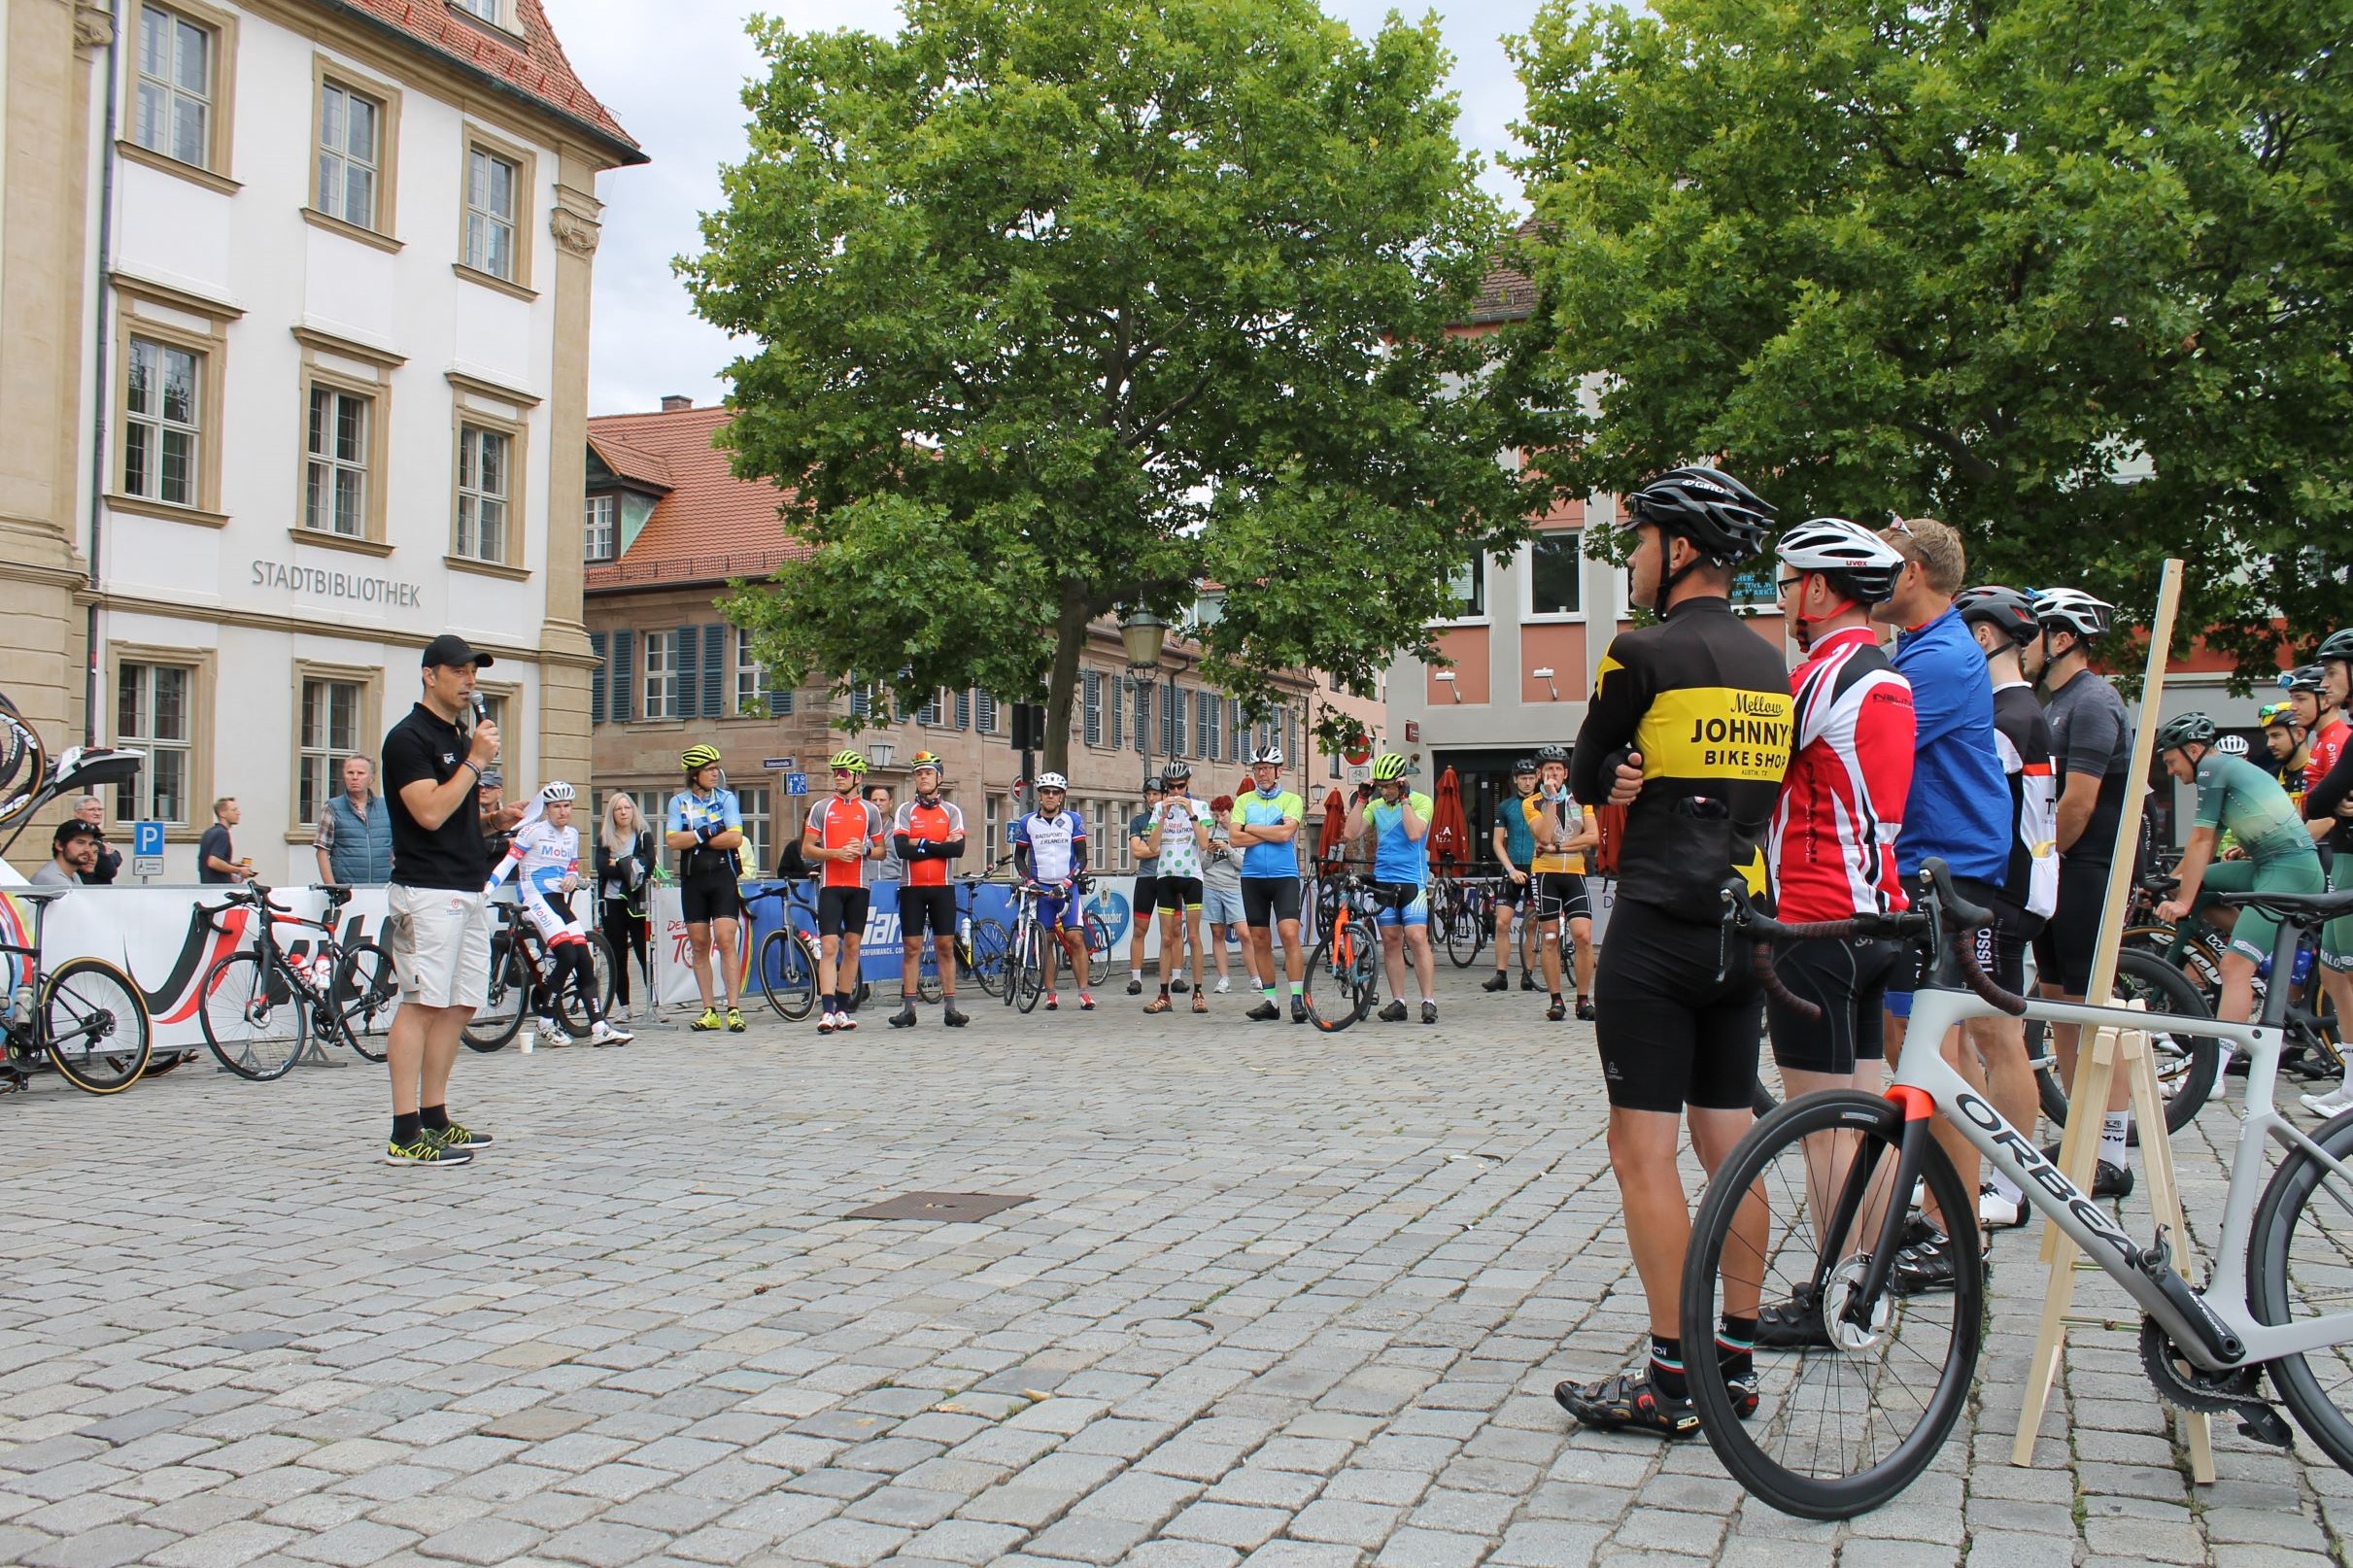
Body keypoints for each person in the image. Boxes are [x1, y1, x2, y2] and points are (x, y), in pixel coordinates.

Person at [1556, 465, 1790, 1440]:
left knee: (1640, 1151)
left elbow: (1583, 770)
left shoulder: (1639, 650)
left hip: (1657, 925)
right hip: (1744, 923)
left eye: (1642, 541)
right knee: (1729, 1138)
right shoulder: (1772, 663)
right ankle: (1734, 1362)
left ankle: (1671, 1377)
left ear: (1680, 548)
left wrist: (1614, 773)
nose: (1635, 558)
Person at [1748, 521, 1917, 1349]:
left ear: (1818, 588)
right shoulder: (1890, 675)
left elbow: (1752, 774)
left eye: (1787, 585)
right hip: (1880, 914)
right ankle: (1870, 1291)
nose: (1783, 601)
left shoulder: (1818, 674)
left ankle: (1836, 1300)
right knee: (1866, 1120)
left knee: (1824, 1126)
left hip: (1818, 921)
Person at [1863, 518, 2016, 1279]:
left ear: (1914, 572)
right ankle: (1948, 1211)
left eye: (1879, 564)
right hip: (1934, 866)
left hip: (1947, 871)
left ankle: (1960, 1234)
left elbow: (1865, 742)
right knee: (1925, 1045)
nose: (1868, 576)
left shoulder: (1939, 659)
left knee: (1934, 1051)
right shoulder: (1927, 648)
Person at [379, 634, 522, 1167]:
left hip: (467, 885)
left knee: (460, 1004)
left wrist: (493, 821)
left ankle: (435, 1116)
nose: (470, 681)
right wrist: (476, 761)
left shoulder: (458, 737)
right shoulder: (407, 739)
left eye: (474, 673)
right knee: (421, 1004)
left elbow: (453, 816)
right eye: (459, 671)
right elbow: (429, 812)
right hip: (426, 890)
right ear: (429, 675)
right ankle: (404, 1132)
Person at [2019, 586, 2136, 1198]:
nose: (2023, 644)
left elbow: (2080, 802)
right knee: (2061, 1004)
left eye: (2033, 633)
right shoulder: (2054, 702)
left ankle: (2110, 1152)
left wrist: (2039, 861)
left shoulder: (2091, 701)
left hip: (2087, 868)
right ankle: (2083, 1133)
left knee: (2094, 1010)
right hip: (2062, 871)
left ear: (2062, 639)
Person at [1953, 585, 2060, 1230]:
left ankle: (2012, 1187)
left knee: (1998, 1038)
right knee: (1984, 1034)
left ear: (1984, 637)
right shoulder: (2021, 709)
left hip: (2004, 893)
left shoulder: (2004, 716)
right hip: (2012, 887)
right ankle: (1980, 1173)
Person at [2153, 714, 2327, 1042]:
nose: (2170, 771)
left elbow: (2201, 840)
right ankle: (2258, 946)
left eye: (2172, 762)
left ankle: (2218, 1063)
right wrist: (2171, 883)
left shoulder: (2212, 769)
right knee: (2188, 885)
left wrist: (2183, 903)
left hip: (2290, 872)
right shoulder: (2220, 769)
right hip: (2267, 866)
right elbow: (2208, 844)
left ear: (2193, 750)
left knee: (2234, 967)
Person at [488, 781, 631, 1048]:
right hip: (534, 897)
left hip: (558, 899)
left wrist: (572, 877)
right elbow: (507, 864)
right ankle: (545, 1020)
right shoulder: (532, 832)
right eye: (556, 807)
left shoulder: (572, 834)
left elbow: (572, 866)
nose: (563, 811)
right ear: (546, 809)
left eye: (567, 806)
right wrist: (485, 891)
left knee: (584, 958)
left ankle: (599, 1027)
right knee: (566, 954)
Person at [2296, 631, 2353, 1114]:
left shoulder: (2342, 738)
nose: (2325, 682)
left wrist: (2330, 800)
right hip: (2344, 853)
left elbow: (2319, 800)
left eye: (2332, 672)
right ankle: (2351, 1081)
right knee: (2334, 970)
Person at [1343, 754, 1439, 1025]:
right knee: (1391, 940)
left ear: (1402, 782)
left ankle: (1428, 1001)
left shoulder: (1422, 801)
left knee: (1417, 937)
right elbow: (1350, 833)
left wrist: (1405, 800)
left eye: (1389, 786)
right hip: (1384, 880)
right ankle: (1399, 1002)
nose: (1384, 791)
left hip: (1412, 880)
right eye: (1380, 786)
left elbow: (1414, 833)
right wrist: (1362, 799)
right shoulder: (1376, 807)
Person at [666, 744, 749, 1033]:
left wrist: (695, 838)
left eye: (716, 768)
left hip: (723, 875)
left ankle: (734, 1008)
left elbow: (735, 838)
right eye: (709, 769)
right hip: (693, 879)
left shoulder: (726, 799)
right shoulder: (678, 802)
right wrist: (708, 831)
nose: (716, 773)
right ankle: (709, 1010)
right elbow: (673, 841)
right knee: (700, 945)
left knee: (726, 940)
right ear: (695, 775)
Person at [803, 749, 882, 1034]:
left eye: (844, 773)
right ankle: (826, 1010)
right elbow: (807, 848)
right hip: (831, 885)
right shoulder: (822, 808)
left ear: (858, 777)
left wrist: (865, 850)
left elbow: (882, 851)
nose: (838, 777)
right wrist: (834, 853)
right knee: (828, 947)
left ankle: (842, 1008)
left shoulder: (870, 810)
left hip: (859, 886)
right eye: (836, 772)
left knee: (852, 947)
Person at [889, 753, 970, 1027]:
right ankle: (909, 1009)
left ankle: (951, 1009)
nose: (923, 777)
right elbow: (902, 850)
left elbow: (957, 849)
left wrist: (921, 843)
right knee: (912, 947)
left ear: (939, 777)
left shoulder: (951, 811)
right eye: (918, 773)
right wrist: (938, 845)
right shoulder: (905, 810)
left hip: (942, 887)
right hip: (911, 887)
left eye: (928, 772)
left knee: (945, 946)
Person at [1232, 749, 1308, 1022]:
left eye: (1266, 768)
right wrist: (1270, 832)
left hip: (1284, 876)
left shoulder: (1292, 799)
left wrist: (1250, 828)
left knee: (1289, 933)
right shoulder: (1243, 801)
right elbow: (1234, 839)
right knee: (1260, 939)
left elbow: (1286, 834)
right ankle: (1270, 1001)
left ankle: (1297, 998)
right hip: (1252, 877)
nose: (1261, 773)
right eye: (1257, 768)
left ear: (1279, 771)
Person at [1523, 743, 1597, 1022]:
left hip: (1575, 873)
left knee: (1583, 936)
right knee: (1551, 938)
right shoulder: (1531, 803)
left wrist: (1558, 848)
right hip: (1545, 875)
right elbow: (1542, 836)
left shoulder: (1581, 800)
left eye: (1558, 769)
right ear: (1540, 774)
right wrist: (1552, 800)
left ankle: (1583, 999)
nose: (1553, 773)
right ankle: (1556, 1000)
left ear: (1566, 773)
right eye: (1548, 770)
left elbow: (1593, 837)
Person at [1009, 772, 1093, 1012]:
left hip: (1066, 888)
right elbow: (1019, 857)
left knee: (1075, 938)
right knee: (1046, 940)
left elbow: (1082, 857)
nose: (1050, 796)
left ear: (1061, 797)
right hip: (1041, 889)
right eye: (1046, 791)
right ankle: (1051, 993)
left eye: (1055, 792)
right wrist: (1029, 881)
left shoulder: (1073, 819)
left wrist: (1067, 883)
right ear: (1039, 795)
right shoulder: (1027, 822)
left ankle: (1084, 993)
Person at [1143, 763, 1211, 1014]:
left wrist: (1191, 813)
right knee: (1166, 937)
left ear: (1187, 784)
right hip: (1166, 875)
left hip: (1191, 875)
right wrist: (1163, 815)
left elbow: (1204, 843)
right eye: (1170, 787)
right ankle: (1164, 995)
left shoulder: (1200, 807)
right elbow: (1152, 846)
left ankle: (1198, 993)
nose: (1175, 792)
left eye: (1180, 787)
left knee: (1193, 936)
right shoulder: (1159, 807)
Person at [1484, 760, 1543, 995]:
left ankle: (1528, 973)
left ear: (1537, 778)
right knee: (1501, 923)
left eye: (1531, 778)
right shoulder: (1506, 806)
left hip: (1537, 867)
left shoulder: (1544, 804)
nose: (1527, 782)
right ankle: (1501, 975)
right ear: (1515, 780)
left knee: (1532, 924)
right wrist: (1510, 869)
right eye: (1523, 778)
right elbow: (1497, 842)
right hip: (1512, 869)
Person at [596, 793, 654, 1022]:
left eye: (627, 808)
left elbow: (648, 864)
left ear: (633, 811)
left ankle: (653, 1003)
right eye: (618, 809)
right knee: (617, 955)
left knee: (643, 952)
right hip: (612, 901)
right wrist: (629, 865)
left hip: (636, 900)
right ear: (612, 813)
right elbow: (602, 868)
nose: (623, 812)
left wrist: (618, 863)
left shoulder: (643, 836)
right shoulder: (605, 838)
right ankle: (624, 1005)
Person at [1201, 796, 1253, 994]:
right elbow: (1203, 866)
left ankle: (1255, 977)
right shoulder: (1211, 833)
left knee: (1244, 933)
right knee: (1217, 933)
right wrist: (1209, 853)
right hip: (1212, 885)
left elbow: (1244, 865)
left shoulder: (1241, 833)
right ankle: (1224, 978)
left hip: (1234, 887)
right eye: (1216, 816)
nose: (1220, 819)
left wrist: (1228, 849)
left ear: (1231, 811)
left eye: (1223, 814)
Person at [313, 756, 392, 886]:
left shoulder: (387, 807)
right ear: (344, 776)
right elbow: (322, 852)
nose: (355, 777)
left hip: (383, 889)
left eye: (360, 773)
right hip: (346, 890)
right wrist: (333, 888)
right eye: (350, 773)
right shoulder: (332, 808)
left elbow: (396, 850)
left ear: (371, 777)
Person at [1125, 777, 1170, 995]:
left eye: (1155, 794)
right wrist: (1164, 848)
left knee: (1170, 931)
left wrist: (1149, 848)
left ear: (1164, 796)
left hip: (1168, 877)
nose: (1151, 799)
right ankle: (1136, 979)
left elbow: (1145, 850)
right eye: (1148, 795)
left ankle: (1175, 977)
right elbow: (1137, 852)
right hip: (1146, 878)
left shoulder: (1172, 820)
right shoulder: (1139, 821)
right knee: (1139, 929)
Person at [2263, 701, 2314, 804]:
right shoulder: (2268, 778)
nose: (2269, 744)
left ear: (2299, 735)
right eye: (2268, 737)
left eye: (2276, 736)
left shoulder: (2322, 772)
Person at [32, 819, 102, 887]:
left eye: (90, 844)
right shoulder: (51, 878)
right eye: (80, 842)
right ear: (59, 845)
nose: (88, 850)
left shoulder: (73, 875)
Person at [197, 798, 252, 884]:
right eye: (234, 810)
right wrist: (239, 870)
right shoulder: (222, 833)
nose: (238, 813)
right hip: (220, 888)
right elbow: (213, 862)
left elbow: (209, 861)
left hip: (208, 886)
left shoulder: (209, 832)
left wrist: (231, 865)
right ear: (222, 813)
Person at [73, 797, 121, 884]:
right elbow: (109, 870)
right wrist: (107, 854)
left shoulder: (96, 834)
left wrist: (109, 854)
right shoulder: (77, 834)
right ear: (78, 813)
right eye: (91, 810)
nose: (97, 813)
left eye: (99, 809)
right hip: (86, 886)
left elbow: (118, 857)